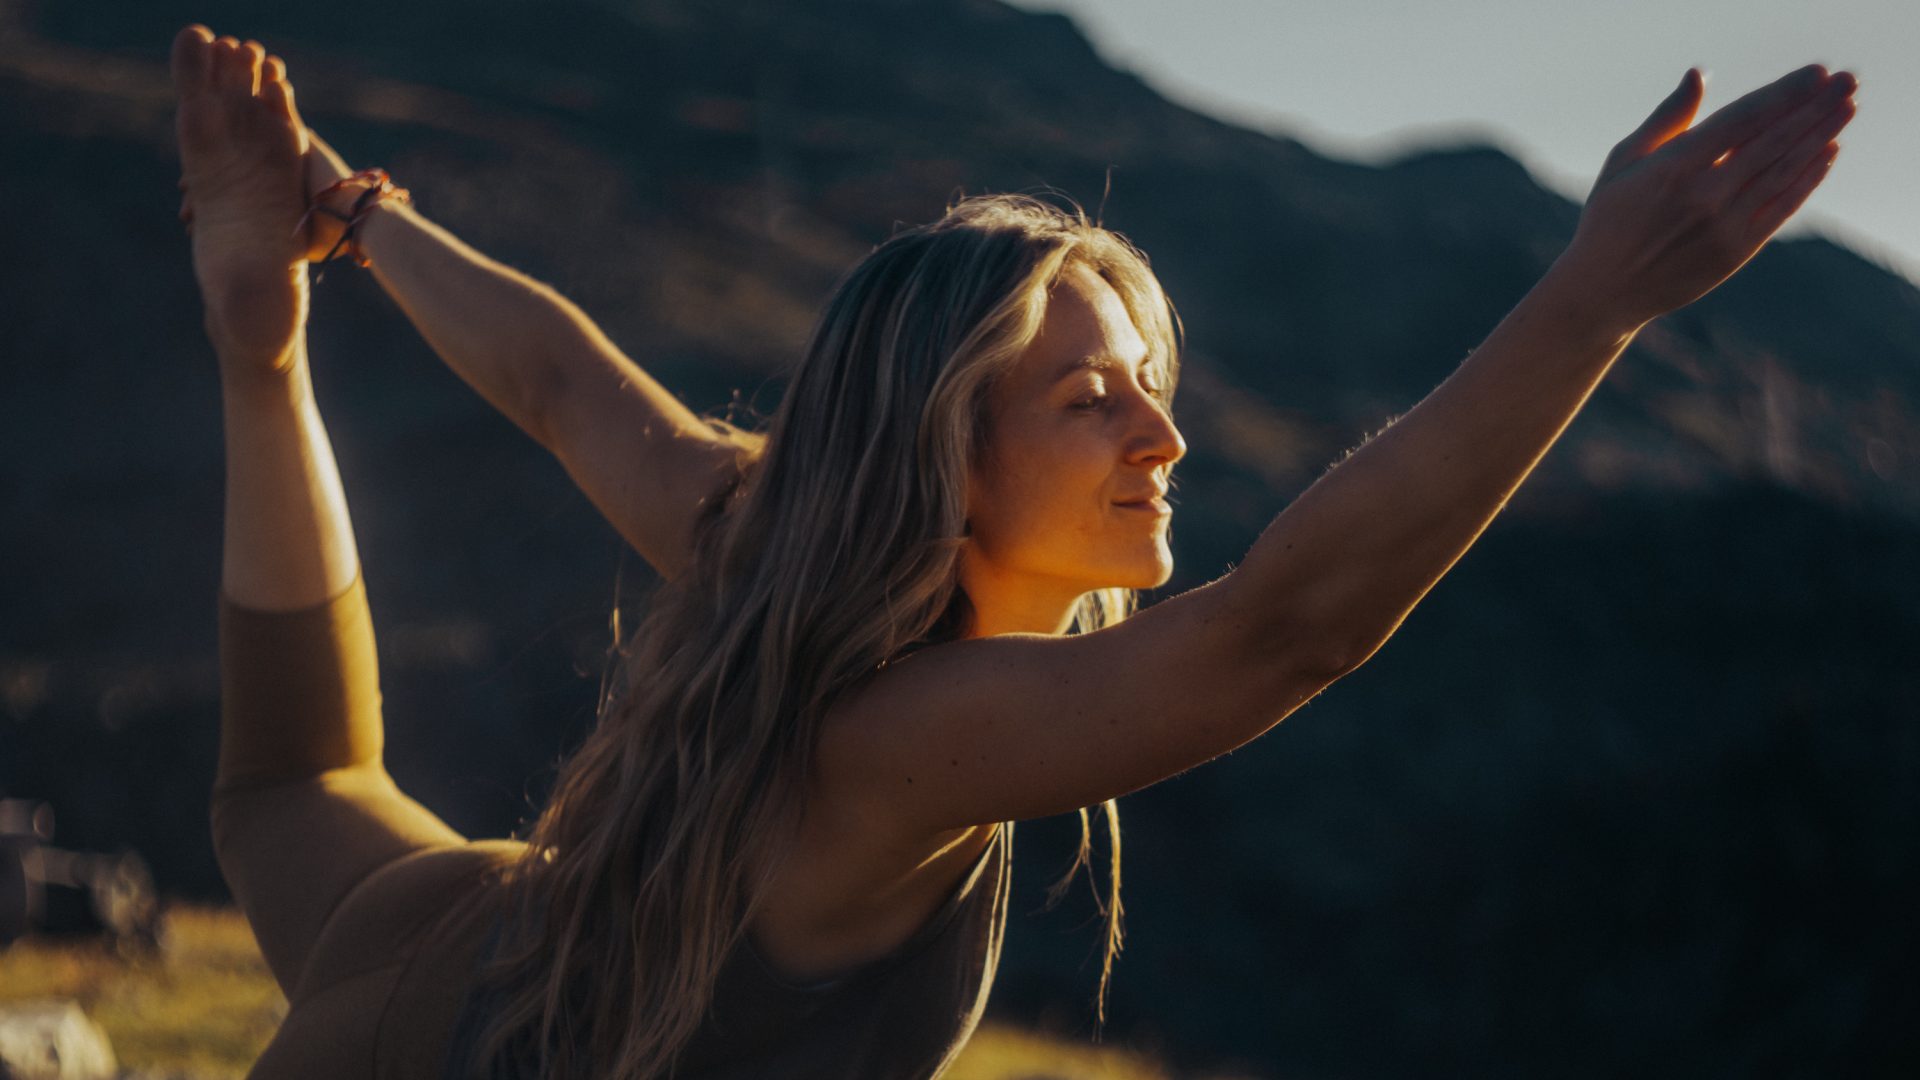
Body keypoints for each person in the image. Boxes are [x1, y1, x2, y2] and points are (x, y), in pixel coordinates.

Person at [171, 22, 1857, 1079]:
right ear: (945, 453)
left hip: (466, 925)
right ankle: (263, 334)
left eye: (1152, 388)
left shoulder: (752, 544)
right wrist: (1595, 304)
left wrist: (359, 220)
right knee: (286, 781)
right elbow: (1289, 631)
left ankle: (264, 344)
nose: (1163, 437)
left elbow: (552, 381)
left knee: (289, 780)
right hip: (434, 1037)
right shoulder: (909, 740)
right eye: (1089, 401)